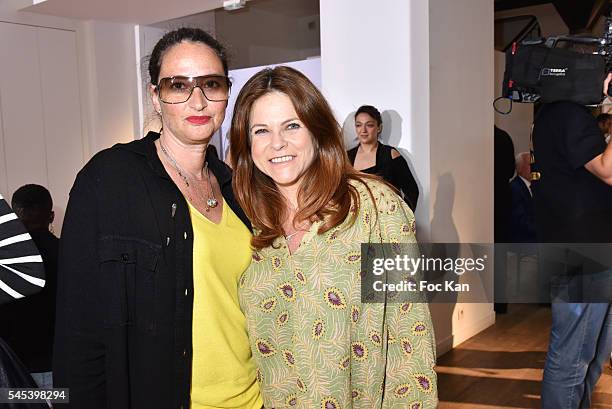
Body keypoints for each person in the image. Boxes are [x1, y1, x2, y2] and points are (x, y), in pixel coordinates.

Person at [53, 28, 262, 409]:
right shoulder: (110, 178)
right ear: (155, 96)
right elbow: (77, 328)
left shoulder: (241, 190)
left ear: (226, 93)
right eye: (178, 85)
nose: (197, 101)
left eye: (211, 84)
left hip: (253, 398)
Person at [230, 66, 437, 408]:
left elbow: (410, 336)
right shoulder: (244, 218)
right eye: (261, 130)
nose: (277, 143)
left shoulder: (374, 206)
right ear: (246, 143)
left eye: (292, 125)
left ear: (317, 130)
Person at [533, 74, 612, 409]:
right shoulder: (567, 114)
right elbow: (609, 171)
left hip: (593, 249)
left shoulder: (560, 114)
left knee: (592, 353)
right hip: (582, 252)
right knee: (572, 358)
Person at [0, 184, 58, 389]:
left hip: (14, 367)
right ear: (51, 217)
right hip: (58, 364)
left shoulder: (6, 263)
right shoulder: (69, 254)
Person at [347, 105, 419, 211]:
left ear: (379, 128)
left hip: (386, 225)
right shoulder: (347, 157)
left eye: (369, 125)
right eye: (358, 125)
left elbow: (412, 191)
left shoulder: (390, 155)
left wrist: (401, 218)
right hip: (356, 223)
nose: (363, 130)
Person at [509, 153, 536, 244]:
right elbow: (520, 220)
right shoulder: (514, 188)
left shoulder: (536, 186)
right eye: (530, 165)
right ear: (519, 168)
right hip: (523, 238)